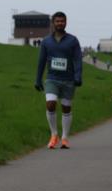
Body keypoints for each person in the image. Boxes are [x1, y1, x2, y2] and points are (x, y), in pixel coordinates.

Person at [34, 12, 83, 149]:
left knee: (66, 107)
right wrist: (38, 79)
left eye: (62, 21)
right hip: (52, 79)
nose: (60, 23)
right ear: (53, 23)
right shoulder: (46, 41)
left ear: (66, 22)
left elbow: (78, 59)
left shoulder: (73, 40)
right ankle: (54, 134)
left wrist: (78, 76)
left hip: (68, 79)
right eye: (57, 21)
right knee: (50, 103)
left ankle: (65, 138)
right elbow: (41, 61)